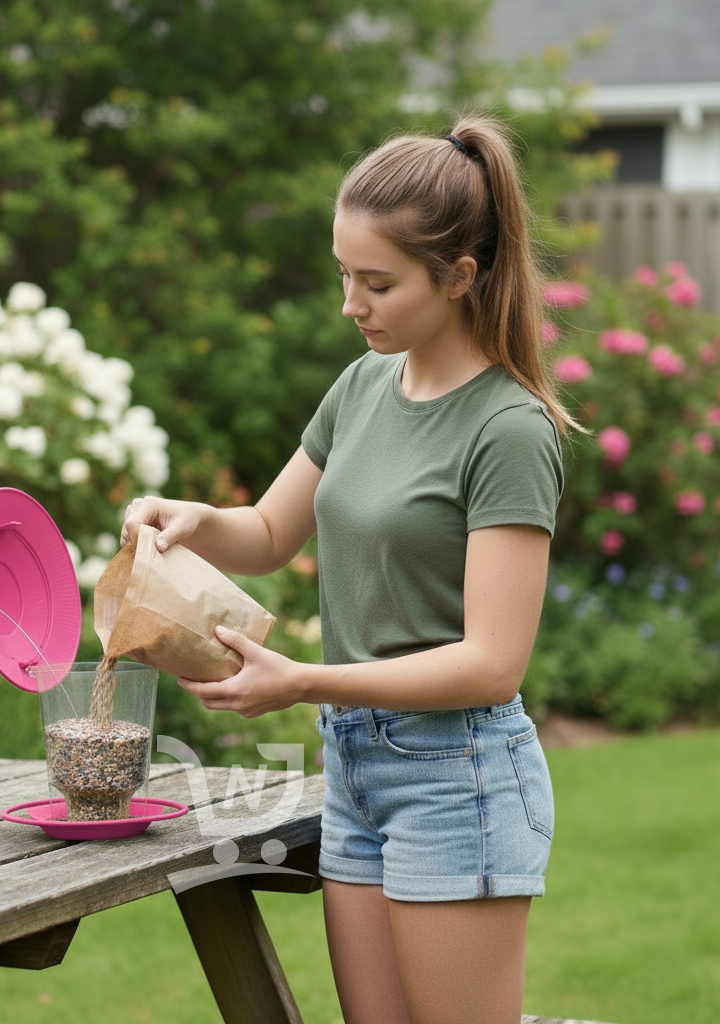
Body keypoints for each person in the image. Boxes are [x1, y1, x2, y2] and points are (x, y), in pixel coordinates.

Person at [121, 114, 576, 1024]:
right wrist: (198, 519)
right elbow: (269, 532)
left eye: (378, 282)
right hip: (357, 765)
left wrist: (303, 683)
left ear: (459, 276)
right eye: (344, 274)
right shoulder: (364, 385)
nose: (350, 304)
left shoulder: (509, 430)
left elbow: (493, 664)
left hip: (458, 778)